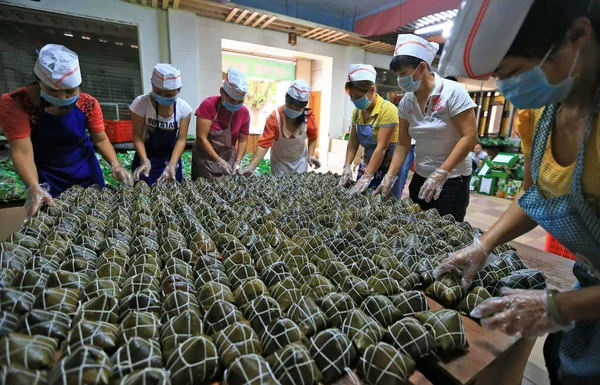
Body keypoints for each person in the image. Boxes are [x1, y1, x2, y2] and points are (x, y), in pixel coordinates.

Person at [436, 0, 600, 383]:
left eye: (512, 74)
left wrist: (559, 307)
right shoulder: (539, 115)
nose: (507, 89)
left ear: (577, 36)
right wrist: (483, 244)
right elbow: (534, 197)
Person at [0, 44, 132, 217]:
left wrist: (115, 165)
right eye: (54, 91)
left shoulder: (88, 103)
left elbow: (100, 139)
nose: (63, 97)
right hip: (47, 173)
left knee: (97, 215)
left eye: (70, 91)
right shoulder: (16, 104)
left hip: (85, 168)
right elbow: (22, 151)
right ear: (41, 83)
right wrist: (33, 186)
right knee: (56, 220)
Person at [374, 34, 478, 222]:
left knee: (445, 233)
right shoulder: (407, 100)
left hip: (452, 178)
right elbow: (403, 144)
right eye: (397, 76)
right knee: (418, 228)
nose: (400, 80)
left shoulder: (453, 92)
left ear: (422, 67)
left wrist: (441, 173)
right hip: (421, 175)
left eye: (403, 74)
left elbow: (469, 137)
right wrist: (390, 176)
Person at [338, 64, 401, 197]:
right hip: (367, 162)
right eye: (352, 97)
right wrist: (347, 165)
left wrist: (367, 177)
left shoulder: (387, 109)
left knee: (383, 203)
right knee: (360, 199)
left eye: (358, 96)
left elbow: (382, 148)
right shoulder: (357, 112)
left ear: (372, 90)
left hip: (387, 166)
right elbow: (353, 143)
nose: (354, 100)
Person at [241, 80, 320, 176]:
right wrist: (251, 167)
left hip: (300, 160)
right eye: (290, 106)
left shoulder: (309, 117)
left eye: (298, 108)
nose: (293, 110)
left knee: (299, 186)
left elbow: (313, 137)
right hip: (279, 162)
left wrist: (310, 155)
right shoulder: (275, 118)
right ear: (285, 100)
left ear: (304, 106)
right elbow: (264, 144)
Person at [130, 64, 192, 185]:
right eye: (158, 92)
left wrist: (172, 165)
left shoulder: (184, 108)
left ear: (178, 90)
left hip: (170, 158)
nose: (163, 97)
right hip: (147, 157)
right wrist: (144, 161)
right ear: (152, 86)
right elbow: (137, 137)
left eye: (169, 95)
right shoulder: (141, 103)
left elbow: (181, 140)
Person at [192, 67, 250, 179]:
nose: (236, 104)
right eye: (232, 100)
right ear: (222, 92)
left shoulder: (244, 113)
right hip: (205, 161)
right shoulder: (209, 105)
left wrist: (237, 162)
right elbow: (201, 137)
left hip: (228, 159)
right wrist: (218, 160)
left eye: (240, 101)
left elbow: (243, 140)